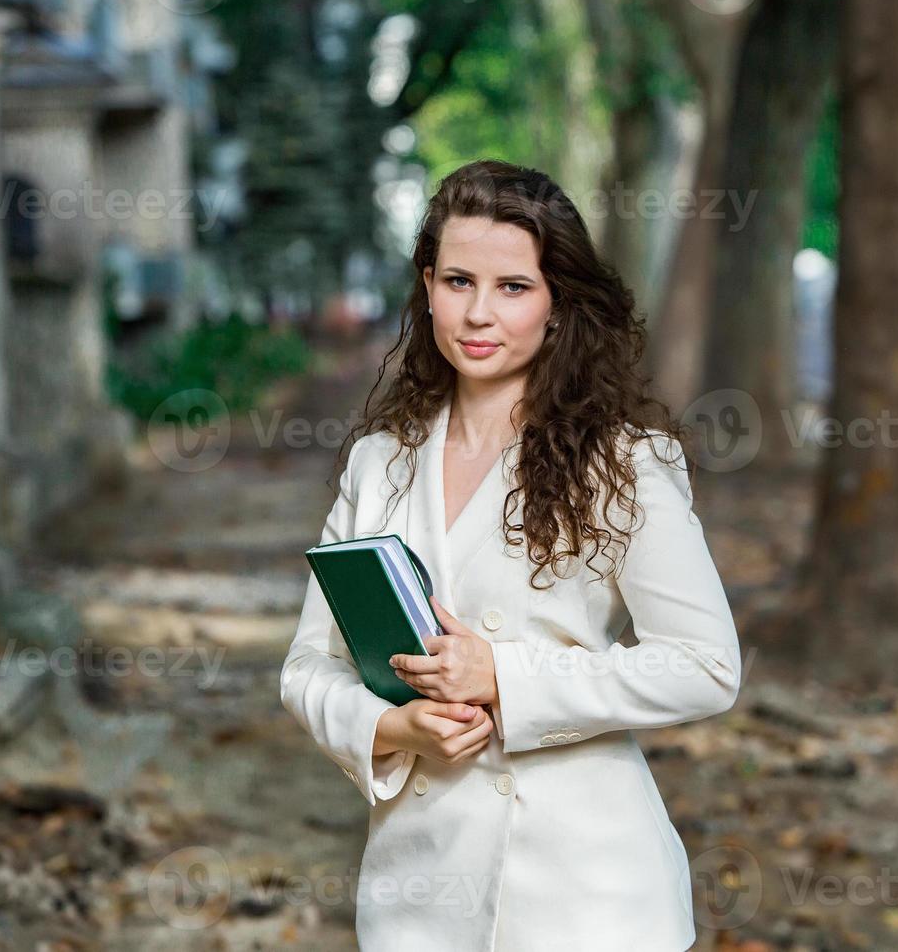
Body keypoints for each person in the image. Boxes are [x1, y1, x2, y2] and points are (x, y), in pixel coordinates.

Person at [279, 159, 742, 951]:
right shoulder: (379, 463)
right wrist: (394, 729)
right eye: (458, 281)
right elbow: (305, 670)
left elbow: (705, 664)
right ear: (427, 287)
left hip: (589, 893)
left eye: (514, 287)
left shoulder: (622, 464)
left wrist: (506, 678)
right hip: (417, 890)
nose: (478, 314)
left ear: (558, 302)